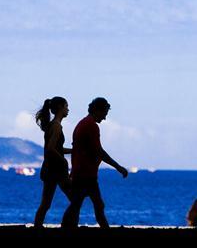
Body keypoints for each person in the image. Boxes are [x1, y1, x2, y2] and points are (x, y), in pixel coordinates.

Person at [61, 97, 128, 228]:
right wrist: (118, 167)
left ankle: (66, 227)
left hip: (82, 172)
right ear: (97, 110)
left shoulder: (82, 123)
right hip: (85, 173)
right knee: (90, 204)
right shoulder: (91, 126)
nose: (104, 118)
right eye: (104, 114)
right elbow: (99, 151)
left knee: (79, 203)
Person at [33, 96, 72, 227]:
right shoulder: (56, 127)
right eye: (66, 106)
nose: (68, 109)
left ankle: (37, 226)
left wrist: (73, 151)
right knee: (75, 198)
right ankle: (68, 225)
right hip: (56, 170)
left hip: (50, 169)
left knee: (45, 204)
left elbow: (57, 149)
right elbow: (50, 148)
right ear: (60, 108)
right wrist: (64, 161)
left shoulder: (52, 125)